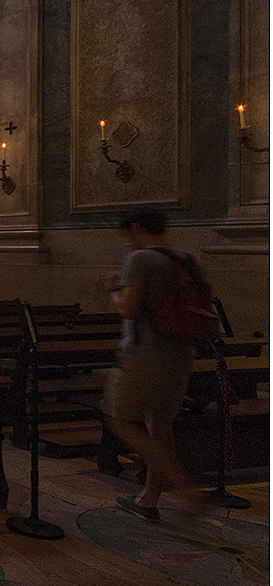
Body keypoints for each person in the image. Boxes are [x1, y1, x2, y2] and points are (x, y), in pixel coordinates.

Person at [105, 208, 203, 521]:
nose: (126, 244)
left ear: (135, 228)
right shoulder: (183, 259)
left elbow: (130, 309)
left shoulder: (140, 259)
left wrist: (114, 289)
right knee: (160, 425)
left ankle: (187, 489)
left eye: (126, 236)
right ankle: (149, 500)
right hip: (181, 353)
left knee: (120, 420)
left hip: (146, 355)